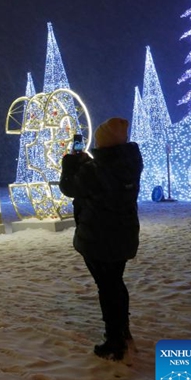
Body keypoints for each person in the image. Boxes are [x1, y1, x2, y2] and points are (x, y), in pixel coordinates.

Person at [59, 117, 143, 362]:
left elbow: (69, 188)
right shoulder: (129, 162)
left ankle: (114, 340)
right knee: (115, 282)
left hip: (98, 236)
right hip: (123, 234)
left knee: (107, 287)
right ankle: (122, 331)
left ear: (103, 143)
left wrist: (70, 164)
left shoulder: (96, 170)